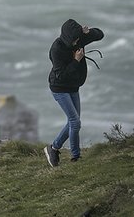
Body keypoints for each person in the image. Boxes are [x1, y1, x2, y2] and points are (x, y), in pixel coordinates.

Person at [44, 19, 105, 167]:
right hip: (59, 88)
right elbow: (61, 75)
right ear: (67, 37)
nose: (77, 42)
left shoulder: (77, 39)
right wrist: (76, 60)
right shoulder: (56, 49)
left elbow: (100, 35)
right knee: (75, 122)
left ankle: (54, 149)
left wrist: (88, 32)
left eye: (78, 38)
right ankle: (74, 156)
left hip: (73, 87)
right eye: (75, 39)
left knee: (73, 122)